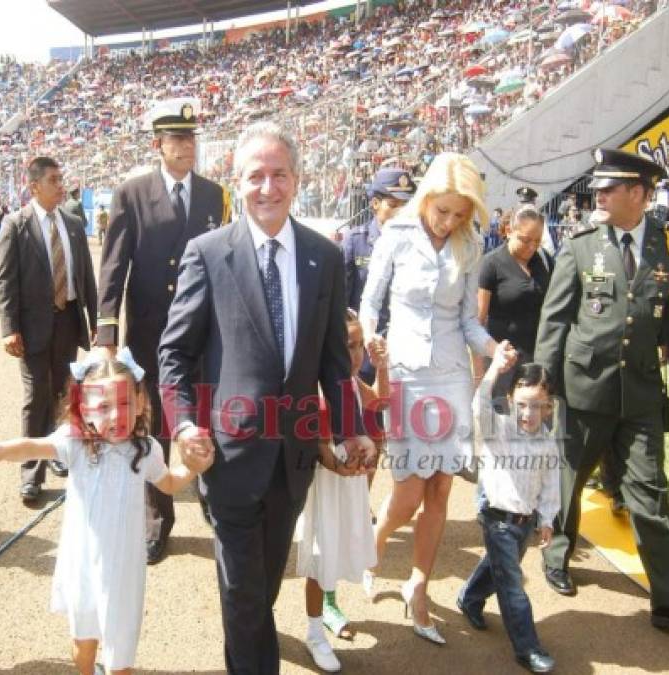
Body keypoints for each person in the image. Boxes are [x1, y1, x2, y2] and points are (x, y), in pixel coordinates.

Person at [158, 121, 375, 674]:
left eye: (279, 175)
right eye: (255, 175)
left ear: (297, 181)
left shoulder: (324, 258)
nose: (267, 187)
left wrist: (349, 428)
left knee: (265, 581)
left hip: (294, 457)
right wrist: (184, 425)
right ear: (237, 182)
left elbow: (332, 360)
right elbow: (175, 354)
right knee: (244, 594)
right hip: (228, 456)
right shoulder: (207, 253)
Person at [0, 349, 212, 675]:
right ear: (83, 410)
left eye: (126, 403)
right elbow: (31, 446)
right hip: (84, 563)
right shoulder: (75, 443)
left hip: (125, 570)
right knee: (83, 645)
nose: (116, 416)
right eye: (104, 407)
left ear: (141, 402)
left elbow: (169, 483)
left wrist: (192, 467)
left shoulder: (146, 449)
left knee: (120, 656)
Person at [361, 152, 516, 645]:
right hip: (404, 372)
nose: (449, 222)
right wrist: (370, 339)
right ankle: (374, 547)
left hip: (452, 376)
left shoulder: (470, 246)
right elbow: (370, 302)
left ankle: (419, 585)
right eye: (442, 211)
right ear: (426, 198)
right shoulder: (396, 236)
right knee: (408, 490)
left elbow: (470, 320)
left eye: (459, 215)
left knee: (442, 490)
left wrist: (495, 350)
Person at [534, 147, 669, 629]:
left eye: (610, 186)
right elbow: (556, 319)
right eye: (598, 185)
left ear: (639, 194)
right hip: (584, 388)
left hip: (641, 392)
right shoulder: (581, 244)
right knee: (571, 477)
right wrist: (542, 382)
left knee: (649, 492)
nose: (598, 193)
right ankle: (557, 554)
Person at [97, 98, 225, 564]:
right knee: (153, 423)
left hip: (201, 326)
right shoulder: (132, 193)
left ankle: (210, 491)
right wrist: (106, 329)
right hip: (151, 327)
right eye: (178, 139)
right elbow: (114, 265)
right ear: (159, 144)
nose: (188, 146)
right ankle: (159, 518)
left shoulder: (215, 195)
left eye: (191, 137)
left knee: (202, 410)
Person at [0, 156, 98, 504]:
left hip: (68, 320)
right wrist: (9, 328)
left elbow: (85, 276)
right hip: (33, 326)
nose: (61, 185)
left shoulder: (71, 223)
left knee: (63, 393)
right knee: (36, 396)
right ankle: (31, 473)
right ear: (34, 186)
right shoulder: (15, 224)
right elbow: (5, 280)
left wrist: (97, 320)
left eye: (61, 178)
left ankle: (57, 455)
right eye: (54, 179)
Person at [458, 353, 560, 674]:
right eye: (522, 403)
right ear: (510, 399)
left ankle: (469, 598)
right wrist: (493, 370)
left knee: (499, 567)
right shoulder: (497, 429)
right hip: (497, 518)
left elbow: (550, 483)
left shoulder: (548, 443)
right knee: (512, 586)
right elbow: (478, 406)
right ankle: (527, 648)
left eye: (537, 405)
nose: (528, 413)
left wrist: (546, 519)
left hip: (524, 522)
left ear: (549, 407)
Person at [297, 310, 382, 672]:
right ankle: (314, 631)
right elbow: (316, 439)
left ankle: (326, 614)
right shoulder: (317, 386)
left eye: (360, 344)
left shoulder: (354, 382)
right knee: (320, 555)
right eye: (349, 345)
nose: (357, 353)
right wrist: (335, 462)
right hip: (326, 483)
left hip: (349, 482)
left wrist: (382, 365)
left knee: (340, 549)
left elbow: (380, 402)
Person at [342, 167, 413, 385]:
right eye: (393, 205)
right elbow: (342, 304)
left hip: (406, 352)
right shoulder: (355, 242)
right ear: (375, 204)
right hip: (366, 354)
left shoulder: (418, 245)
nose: (400, 212)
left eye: (405, 205)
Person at [476, 206, 553, 401]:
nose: (531, 247)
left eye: (537, 241)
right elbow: (478, 318)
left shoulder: (543, 261)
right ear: (509, 231)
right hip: (504, 360)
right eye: (525, 240)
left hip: (537, 359)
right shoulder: (491, 264)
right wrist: (478, 370)